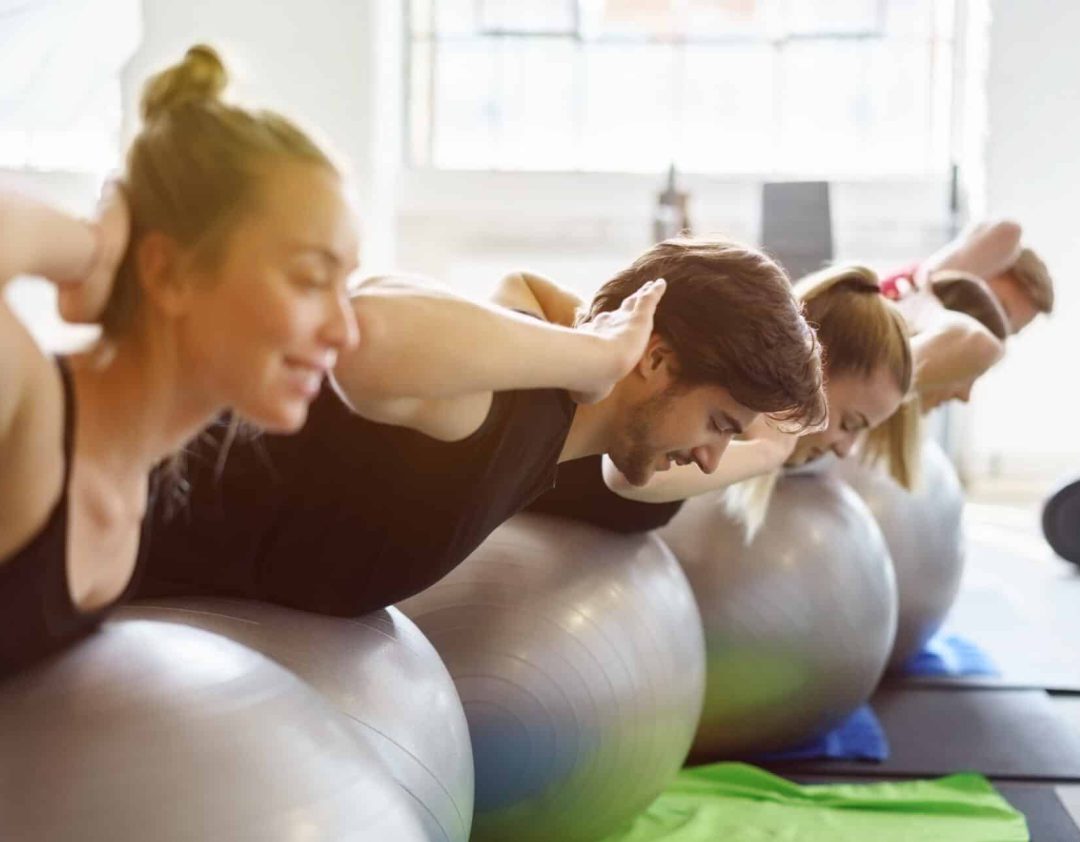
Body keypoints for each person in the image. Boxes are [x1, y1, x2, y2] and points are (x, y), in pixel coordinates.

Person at [136, 237, 827, 616]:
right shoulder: (508, 404)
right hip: (89, 510)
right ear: (655, 360)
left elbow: (520, 289)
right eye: (719, 424)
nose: (709, 459)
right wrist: (595, 353)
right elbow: (364, 325)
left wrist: (771, 452)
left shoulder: (550, 432)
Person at [0, 45, 363, 672]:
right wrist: (94, 249)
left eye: (345, 286)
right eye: (309, 279)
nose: (346, 331)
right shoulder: (26, 409)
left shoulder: (128, 497)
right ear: (169, 273)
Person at [530, 264, 918, 534]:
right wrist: (770, 452)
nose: (847, 449)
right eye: (850, 423)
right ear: (820, 372)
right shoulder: (721, 401)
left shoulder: (733, 428)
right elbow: (626, 480)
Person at [881, 219, 1054, 334]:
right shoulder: (919, 288)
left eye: (1009, 331)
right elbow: (1009, 231)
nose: (995, 333)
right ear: (987, 262)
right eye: (1001, 311)